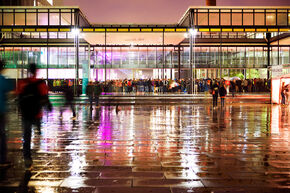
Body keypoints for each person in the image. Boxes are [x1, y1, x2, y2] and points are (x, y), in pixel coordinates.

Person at [18, 63, 52, 168]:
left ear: (28, 70)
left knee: (26, 137)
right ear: (36, 71)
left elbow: (18, 96)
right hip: (37, 113)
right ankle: (38, 129)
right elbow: (45, 97)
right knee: (37, 124)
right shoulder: (41, 83)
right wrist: (48, 106)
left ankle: (27, 158)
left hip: (25, 114)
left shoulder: (22, 82)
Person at [0, 60, 13, 167]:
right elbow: (11, 88)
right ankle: (2, 159)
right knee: (2, 134)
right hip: (1, 111)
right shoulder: (2, 80)